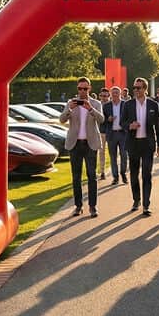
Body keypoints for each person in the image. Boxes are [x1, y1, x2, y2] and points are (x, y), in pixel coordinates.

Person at [59, 77, 104, 218]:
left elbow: (101, 119)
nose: (82, 91)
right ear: (77, 89)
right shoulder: (71, 103)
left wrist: (90, 109)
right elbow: (61, 119)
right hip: (75, 144)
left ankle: (93, 206)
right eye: (80, 88)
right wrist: (70, 110)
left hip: (90, 144)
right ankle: (78, 206)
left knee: (92, 176)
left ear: (90, 89)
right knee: (76, 177)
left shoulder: (95, 103)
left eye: (85, 88)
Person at [121, 77, 159, 216]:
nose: (136, 90)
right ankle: (136, 200)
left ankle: (146, 204)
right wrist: (130, 126)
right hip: (133, 144)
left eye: (138, 88)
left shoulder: (152, 104)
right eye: (134, 88)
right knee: (134, 175)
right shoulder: (128, 105)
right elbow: (122, 123)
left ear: (144, 89)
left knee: (146, 174)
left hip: (147, 144)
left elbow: (158, 125)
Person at [103, 86, 128, 185]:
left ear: (120, 94)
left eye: (117, 93)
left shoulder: (125, 105)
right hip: (111, 134)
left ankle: (123, 174)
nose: (115, 95)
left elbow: (129, 118)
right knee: (113, 157)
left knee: (124, 155)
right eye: (113, 93)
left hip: (123, 134)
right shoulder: (106, 106)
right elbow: (102, 120)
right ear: (110, 94)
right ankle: (115, 177)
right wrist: (108, 119)